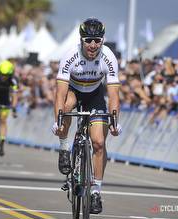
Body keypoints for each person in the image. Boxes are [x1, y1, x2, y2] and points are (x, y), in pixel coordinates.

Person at [52, 18, 121, 214]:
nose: (93, 45)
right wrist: (58, 120)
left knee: (98, 142)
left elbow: (114, 94)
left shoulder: (108, 57)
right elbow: (60, 93)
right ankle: (65, 148)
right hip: (73, 90)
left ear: (103, 40)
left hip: (95, 94)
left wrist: (115, 121)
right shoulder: (70, 56)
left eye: (97, 40)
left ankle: (96, 191)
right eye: (88, 40)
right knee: (66, 106)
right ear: (81, 40)